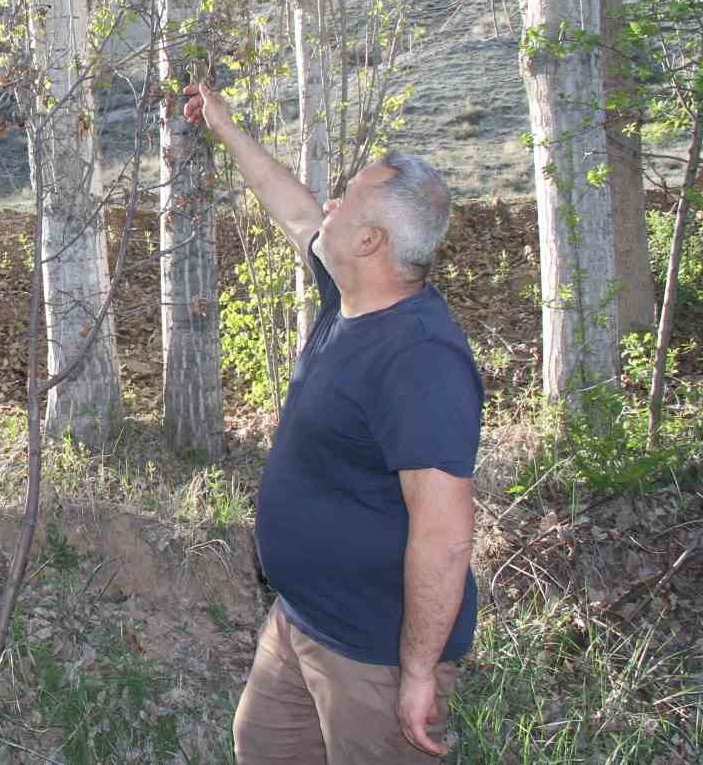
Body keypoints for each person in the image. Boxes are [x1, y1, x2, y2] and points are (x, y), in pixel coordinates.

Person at [183, 83, 483, 763]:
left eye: (348, 197)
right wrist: (226, 129)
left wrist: (416, 673)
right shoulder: (349, 294)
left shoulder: (421, 361)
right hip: (299, 621)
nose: (332, 204)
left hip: (371, 657)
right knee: (259, 746)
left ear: (371, 240)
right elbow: (292, 209)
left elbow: (444, 537)